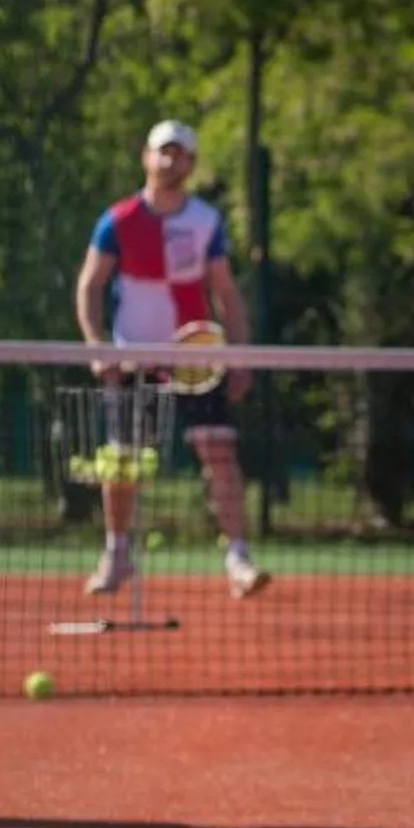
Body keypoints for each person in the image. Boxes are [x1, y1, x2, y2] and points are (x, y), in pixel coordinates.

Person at [74, 119, 268, 599]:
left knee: (219, 453)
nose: (169, 160)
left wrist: (239, 358)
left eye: (179, 153)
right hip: (132, 358)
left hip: (195, 361)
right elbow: (90, 285)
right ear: (146, 156)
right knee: (121, 461)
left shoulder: (205, 220)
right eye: (162, 151)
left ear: (192, 163)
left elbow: (226, 292)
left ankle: (238, 559)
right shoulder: (116, 220)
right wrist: (98, 346)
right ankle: (117, 554)